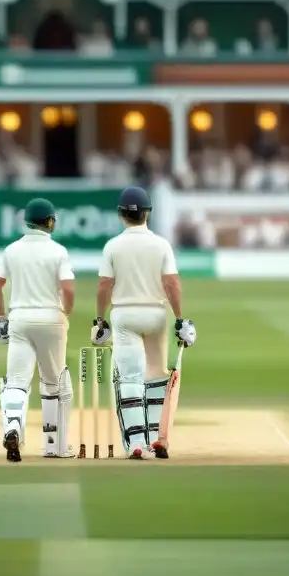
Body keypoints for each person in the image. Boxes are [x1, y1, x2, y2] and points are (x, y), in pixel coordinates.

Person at [91, 186, 196, 460]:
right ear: (148, 213)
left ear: (120, 215)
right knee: (157, 375)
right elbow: (172, 283)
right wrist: (180, 318)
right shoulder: (161, 244)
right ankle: (156, 438)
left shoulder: (112, 246)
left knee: (130, 377)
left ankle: (136, 442)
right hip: (156, 314)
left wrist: (100, 320)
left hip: (124, 314)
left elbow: (105, 285)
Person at [0, 198, 75, 463]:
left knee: (16, 381)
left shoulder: (12, 250)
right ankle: (54, 446)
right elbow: (69, 289)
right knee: (54, 382)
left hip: (19, 320)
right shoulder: (58, 250)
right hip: (51, 319)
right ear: (49, 221)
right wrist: (65, 311)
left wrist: (0, 317)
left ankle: (13, 428)